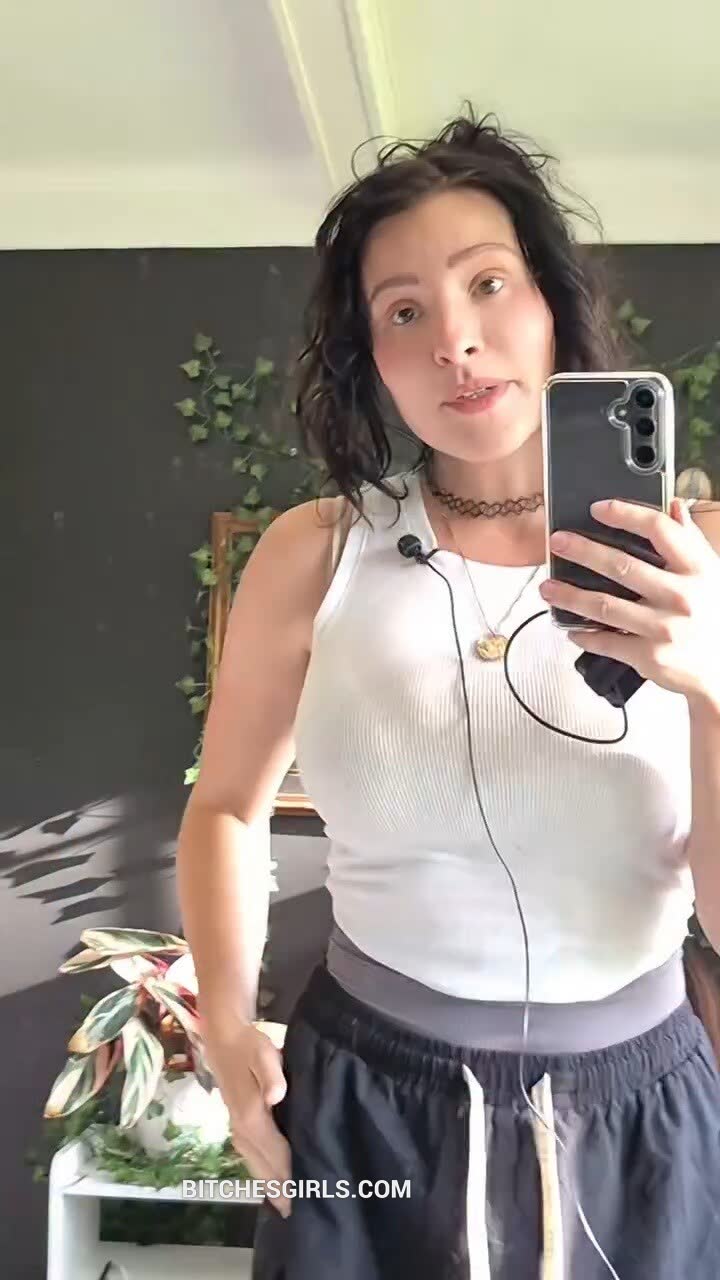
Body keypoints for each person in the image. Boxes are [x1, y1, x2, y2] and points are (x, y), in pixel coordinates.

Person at [176, 111, 720, 1279]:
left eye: (488, 284)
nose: (456, 343)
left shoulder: (702, 564)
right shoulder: (312, 554)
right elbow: (225, 804)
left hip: (639, 1111)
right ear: (368, 353)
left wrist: (713, 687)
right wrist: (224, 1025)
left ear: (553, 302)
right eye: (404, 311)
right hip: (361, 1101)